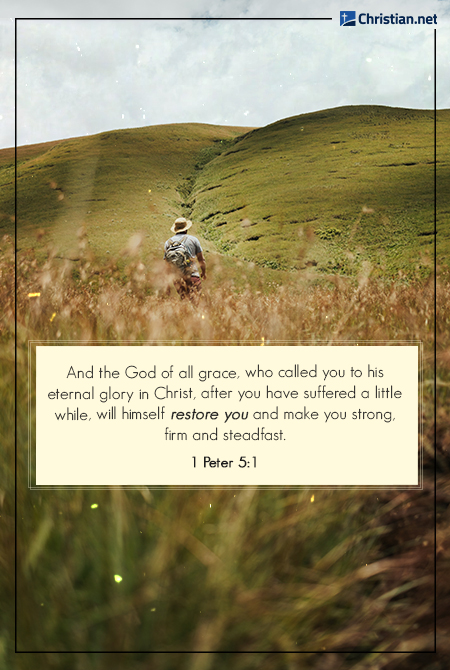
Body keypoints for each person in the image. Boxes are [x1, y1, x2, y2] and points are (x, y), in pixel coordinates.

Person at [164, 217, 206, 300]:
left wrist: (167, 284)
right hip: (193, 276)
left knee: (185, 304)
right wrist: (204, 273)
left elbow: (167, 266)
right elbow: (201, 260)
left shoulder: (168, 243)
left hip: (177, 279)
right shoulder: (193, 240)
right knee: (196, 304)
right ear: (186, 229)